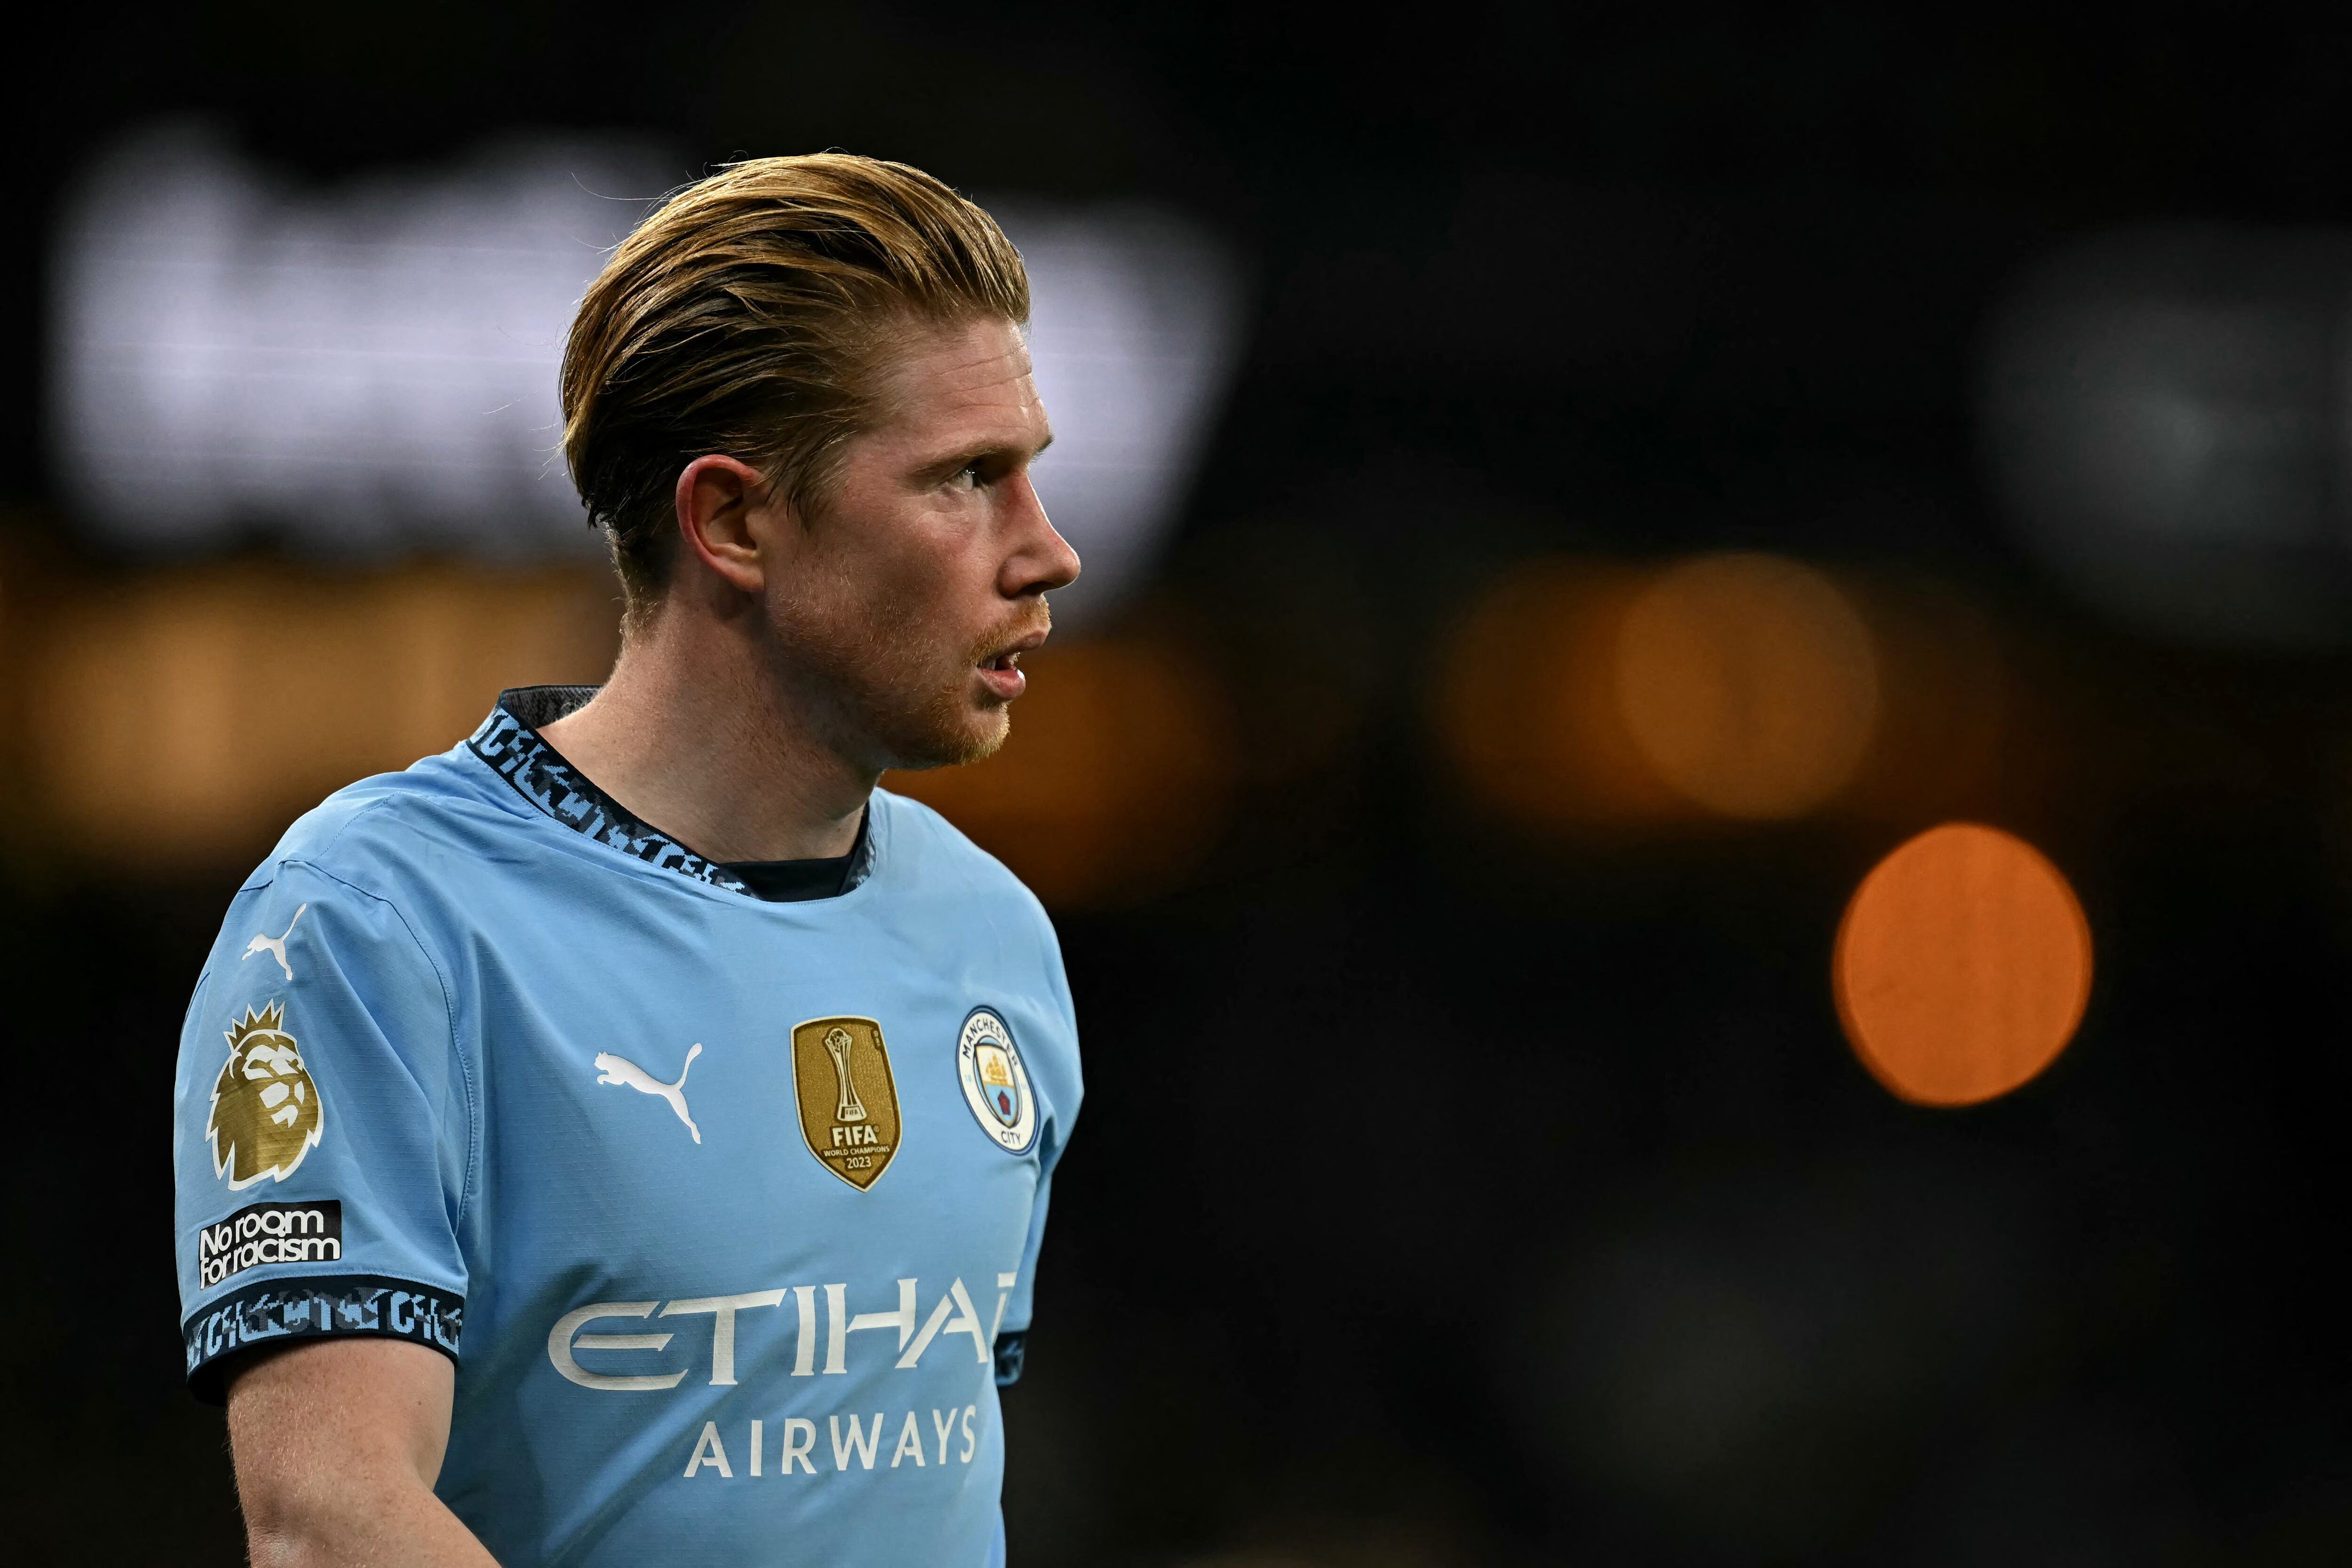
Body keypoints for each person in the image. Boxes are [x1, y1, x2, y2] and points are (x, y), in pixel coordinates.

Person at [170, 153, 1084, 1567]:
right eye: (969, 479)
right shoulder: (369, 925)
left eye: (1031, 473)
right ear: (730, 521)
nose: (1050, 551)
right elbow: (331, 1522)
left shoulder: (996, 937)